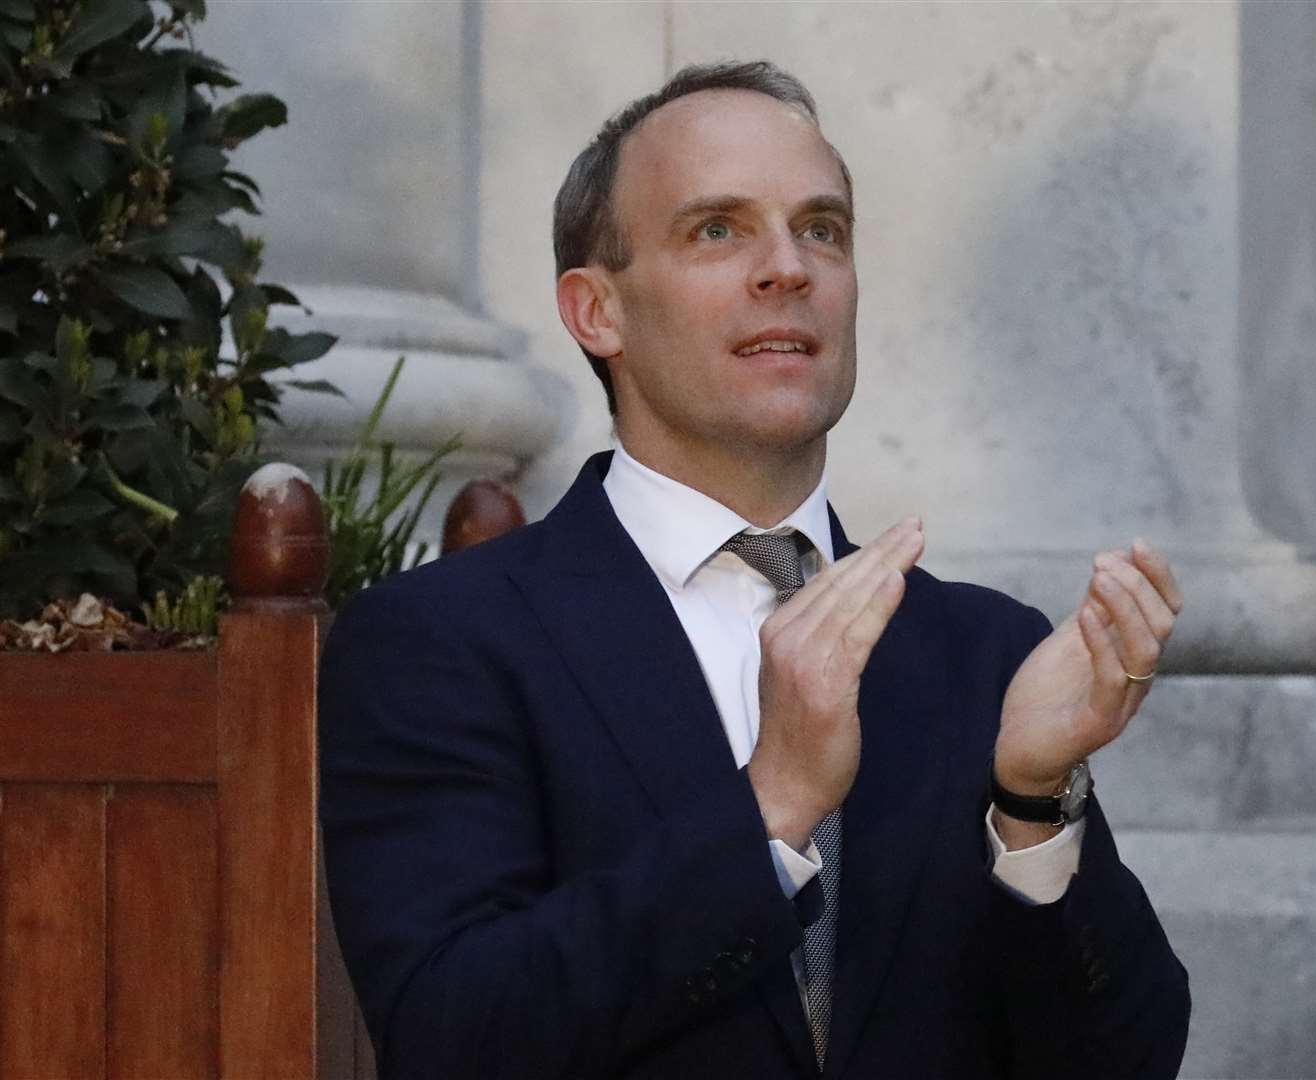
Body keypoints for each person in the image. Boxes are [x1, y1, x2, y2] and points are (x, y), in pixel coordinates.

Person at [319, 60, 1190, 1079]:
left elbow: (1124, 1061)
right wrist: (770, 808)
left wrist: (1038, 807)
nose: (789, 268)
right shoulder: (442, 642)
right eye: (718, 230)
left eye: (822, 228)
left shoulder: (984, 650)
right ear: (596, 311)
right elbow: (453, 1040)